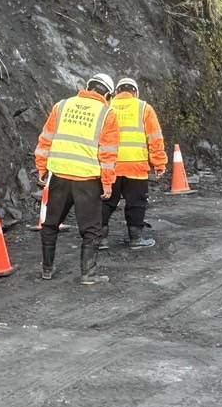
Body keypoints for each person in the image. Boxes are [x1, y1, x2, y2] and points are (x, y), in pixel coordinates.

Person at [35, 72, 121, 284]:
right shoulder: (106, 114)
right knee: (91, 228)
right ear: (108, 94)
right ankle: (88, 274)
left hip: (60, 175)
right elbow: (108, 154)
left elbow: (45, 140)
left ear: (88, 86)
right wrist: (108, 183)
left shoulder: (61, 106)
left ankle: (47, 270)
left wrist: (42, 168)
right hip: (87, 179)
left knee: (50, 224)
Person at [100, 76, 167, 250]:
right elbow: (155, 139)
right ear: (135, 92)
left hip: (110, 166)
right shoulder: (144, 108)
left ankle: (101, 239)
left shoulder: (106, 107)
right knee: (136, 202)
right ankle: (135, 238)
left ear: (116, 92)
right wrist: (159, 164)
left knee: (106, 202)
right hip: (136, 167)